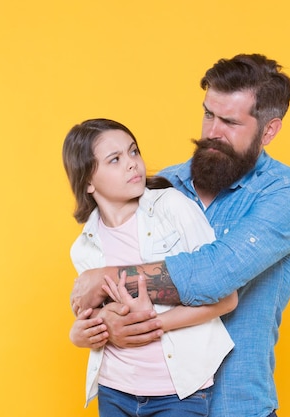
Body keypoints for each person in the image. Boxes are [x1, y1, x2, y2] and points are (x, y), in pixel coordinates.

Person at [70, 54, 290, 417]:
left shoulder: (284, 195)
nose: (212, 132)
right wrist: (103, 325)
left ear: (269, 131)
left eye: (230, 121)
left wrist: (105, 280)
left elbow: (212, 275)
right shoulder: (161, 187)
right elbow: (107, 258)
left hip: (236, 407)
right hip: (145, 400)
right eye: (208, 114)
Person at [62, 118, 238, 416]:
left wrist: (152, 324)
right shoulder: (85, 247)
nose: (132, 164)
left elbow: (225, 298)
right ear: (88, 181)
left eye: (133, 152)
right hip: (113, 389)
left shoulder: (172, 208)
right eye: (115, 159)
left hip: (179, 393)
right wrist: (78, 334)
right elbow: (96, 316)